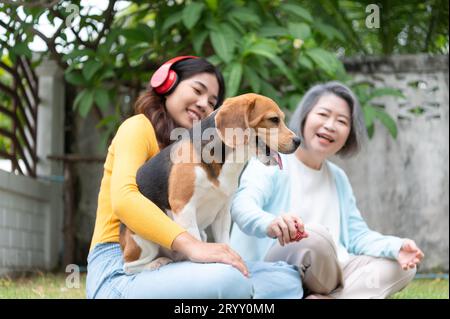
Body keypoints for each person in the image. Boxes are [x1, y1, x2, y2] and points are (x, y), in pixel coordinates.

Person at [86, 56, 302, 299]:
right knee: (230, 281)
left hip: (174, 259)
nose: (203, 104)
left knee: (289, 278)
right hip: (118, 267)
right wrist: (195, 247)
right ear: (167, 85)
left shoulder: (205, 151)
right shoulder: (137, 127)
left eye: (212, 101)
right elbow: (125, 200)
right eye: (197, 90)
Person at [230, 81, 424, 299]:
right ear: (304, 117)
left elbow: (357, 236)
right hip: (277, 270)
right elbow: (241, 206)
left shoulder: (338, 177)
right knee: (313, 236)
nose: (331, 125)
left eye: (342, 121)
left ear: (349, 133)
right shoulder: (271, 162)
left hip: (332, 273)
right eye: (323, 114)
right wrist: (270, 223)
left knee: (399, 266)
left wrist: (396, 246)